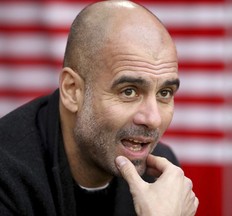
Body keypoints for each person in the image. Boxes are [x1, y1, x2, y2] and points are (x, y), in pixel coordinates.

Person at [0, 0, 199, 215]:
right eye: (129, 91)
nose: (153, 119)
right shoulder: (7, 172)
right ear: (72, 90)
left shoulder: (161, 174)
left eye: (164, 93)